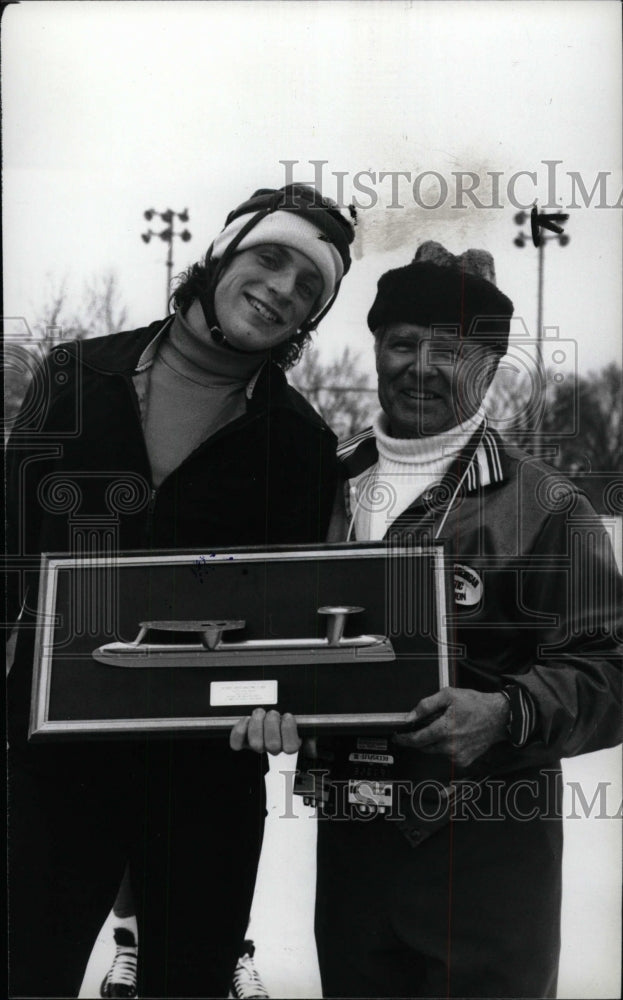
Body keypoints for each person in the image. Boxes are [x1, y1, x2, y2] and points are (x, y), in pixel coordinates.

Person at [6, 183, 355, 998]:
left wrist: (282, 698)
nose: (281, 289)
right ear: (222, 255)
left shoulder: (300, 442)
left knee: (187, 983)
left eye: (309, 286)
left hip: (204, 774)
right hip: (50, 758)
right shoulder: (75, 374)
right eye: (269, 258)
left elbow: (287, 622)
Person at [308, 241, 622, 998]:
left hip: (487, 845)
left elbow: (610, 669)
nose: (420, 367)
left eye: (449, 350)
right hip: (352, 839)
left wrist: (505, 709)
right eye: (402, 343)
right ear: (376, 348)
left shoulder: (546, 504)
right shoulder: (320, 485)